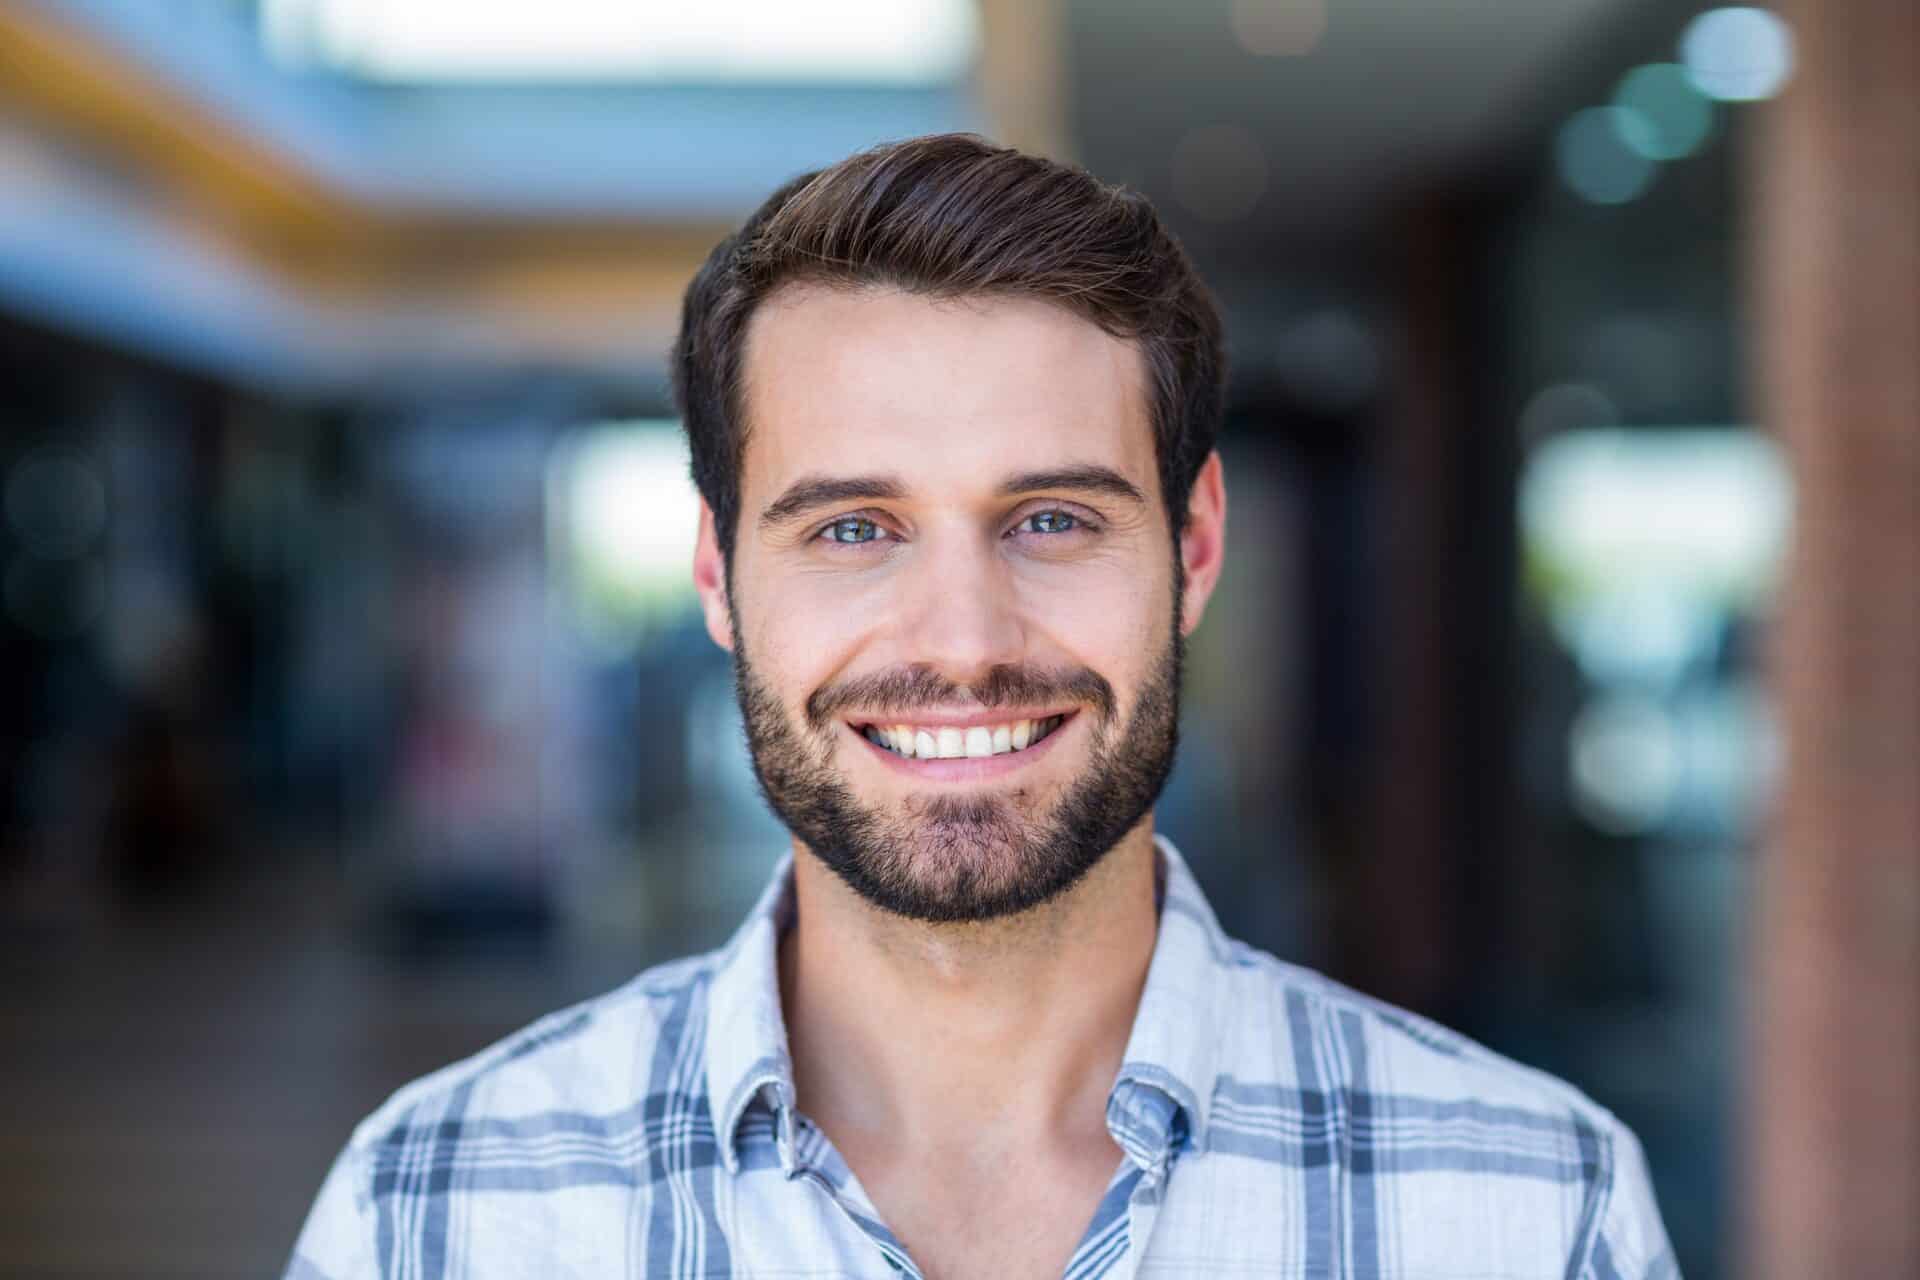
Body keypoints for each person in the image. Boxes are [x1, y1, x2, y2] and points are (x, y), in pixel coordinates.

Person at [285, 133, 1676, 1279]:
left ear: (1193, 549)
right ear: (719, 576)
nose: (963, 641)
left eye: (1055, 518)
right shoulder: (433, 1214)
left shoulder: (1535, 1210)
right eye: (852, 531)